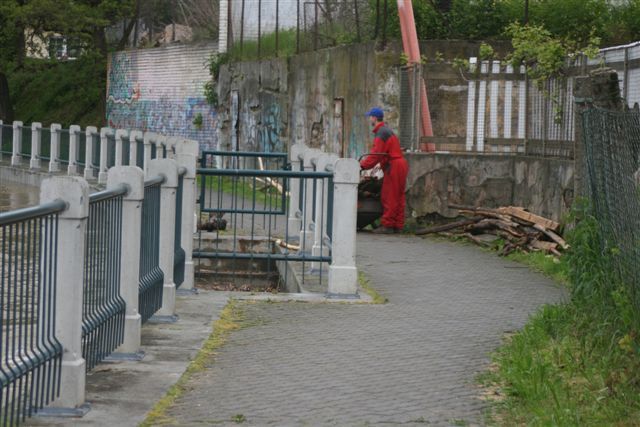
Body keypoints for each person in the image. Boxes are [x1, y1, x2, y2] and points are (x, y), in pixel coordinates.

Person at [360, 107, 409, 234]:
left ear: (374, 118)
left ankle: (387, 226)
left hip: (393, 165)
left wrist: (361, 166)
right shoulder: (387, 131)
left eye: (370, 117)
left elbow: (376, 154)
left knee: (389, 196)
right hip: (401, 164)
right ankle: (397, 225)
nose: (369, 119)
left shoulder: (381, 133)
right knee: (399, 196)